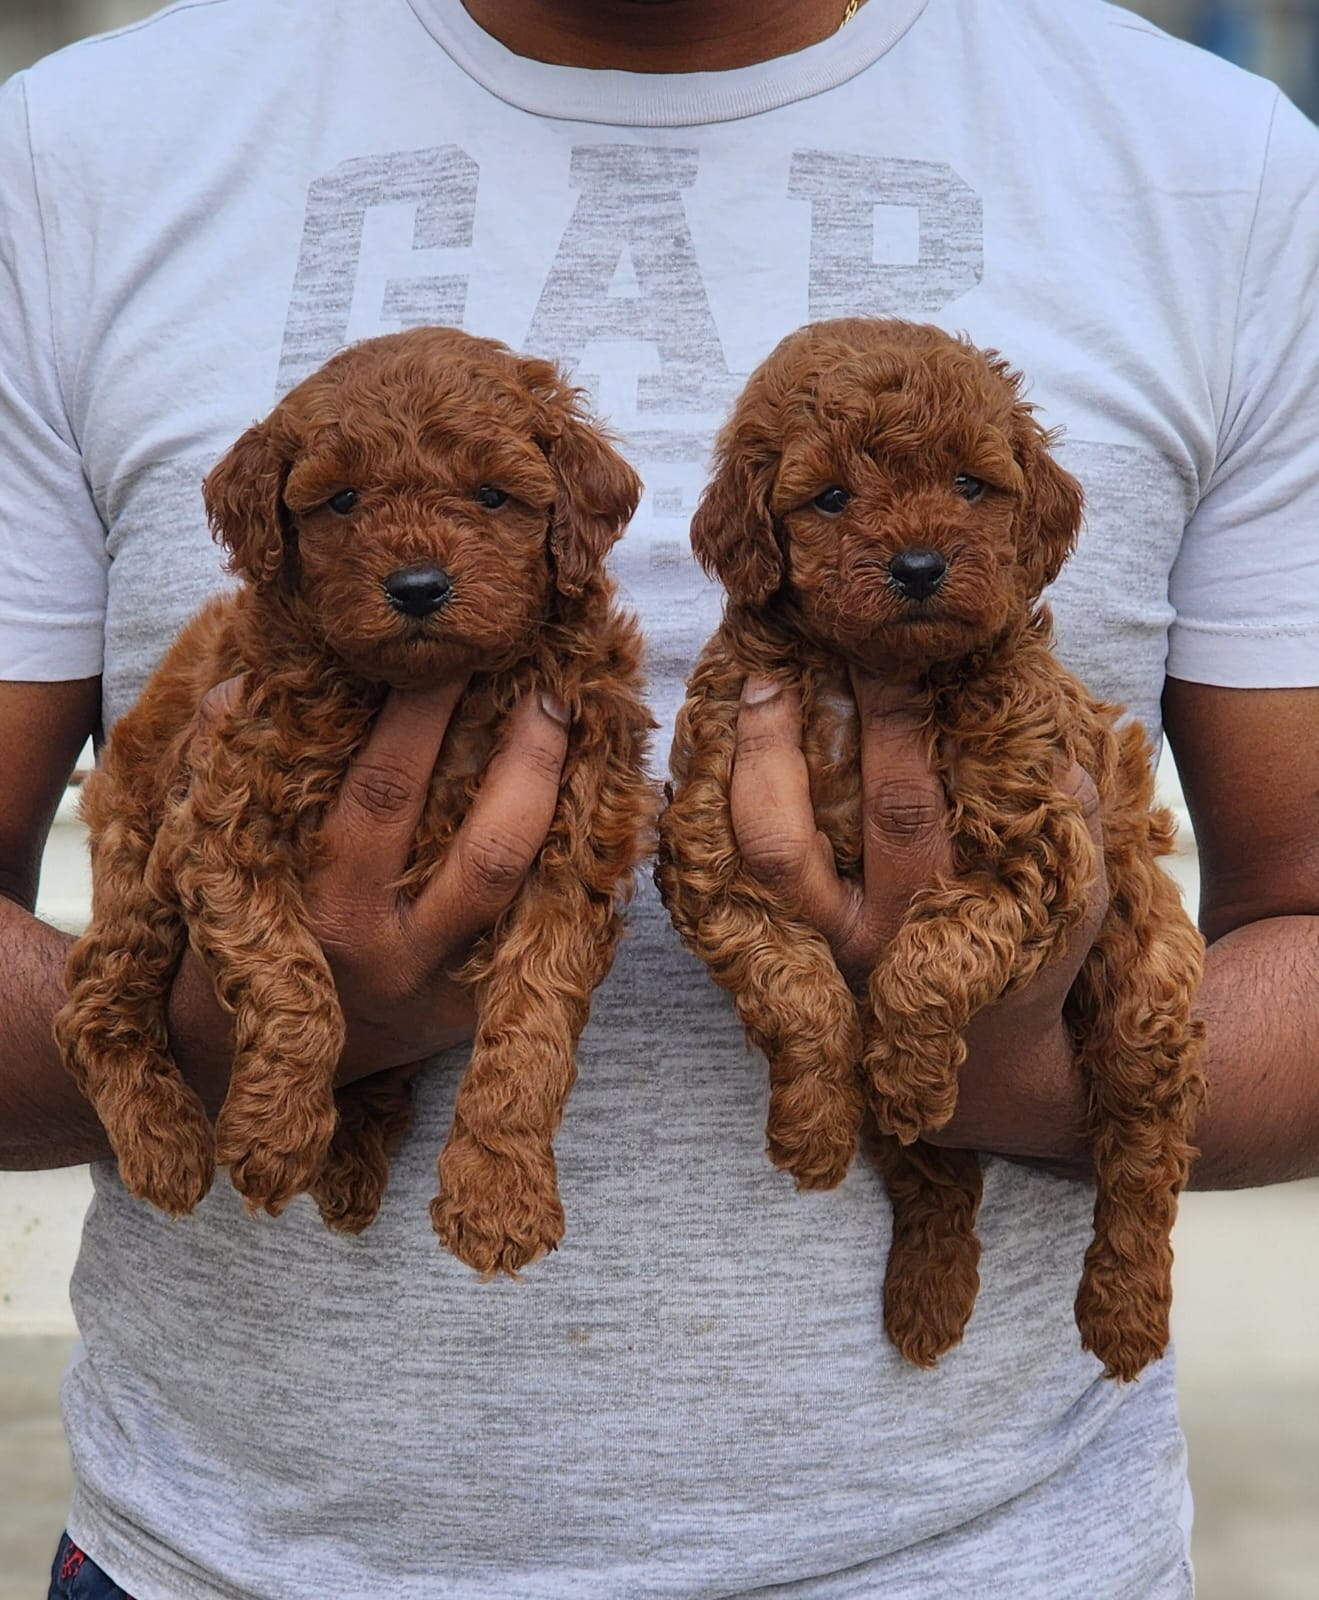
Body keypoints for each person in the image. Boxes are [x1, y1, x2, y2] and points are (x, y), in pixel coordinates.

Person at [2, 0, 1317, 1594]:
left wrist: (1021, 1074)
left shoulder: (1218, 169)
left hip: (1000, 1556)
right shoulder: (74, 155)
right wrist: (216, 1039)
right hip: (221, 1556)